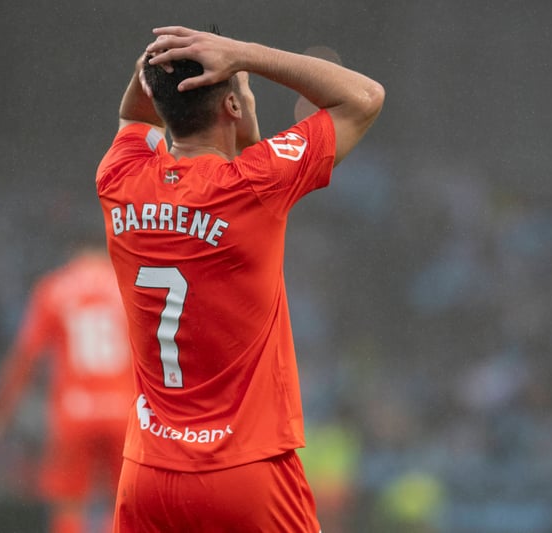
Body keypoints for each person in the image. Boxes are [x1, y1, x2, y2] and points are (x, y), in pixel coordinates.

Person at [96, 24, 384, 532]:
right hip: (246, 471)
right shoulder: (256, 183)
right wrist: (244, 54)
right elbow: (364, 97)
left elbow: (133, 116)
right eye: (241, 88)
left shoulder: (120, 178)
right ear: (231, 105)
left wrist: (158, 61)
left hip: (147, 476)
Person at [0, 245, 134, 533]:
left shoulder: (54, 288)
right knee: (124, 501)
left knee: (69, 503)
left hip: (73, 412)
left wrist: (0, 411)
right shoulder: (128, 284)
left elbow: (26, 356)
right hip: (124, 412)